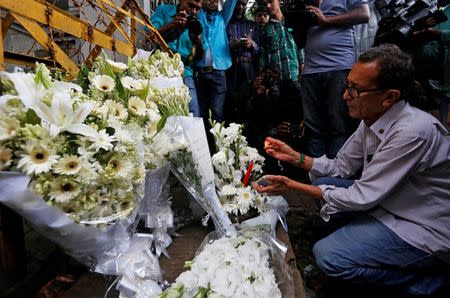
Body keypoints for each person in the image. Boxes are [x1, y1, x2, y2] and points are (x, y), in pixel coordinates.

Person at [254, 44, 450, 296]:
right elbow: (340, 167)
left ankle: (429, 282)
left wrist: (291, 185)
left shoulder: (411, 132)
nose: (346, 96)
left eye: (355, 90)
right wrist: (295, 157)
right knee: (327, 182)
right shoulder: (374, 118)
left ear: (389, 96)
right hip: (394, 204)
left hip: (424, 226)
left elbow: (362, 195)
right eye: (348, 85)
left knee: (328, 256)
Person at [301, 0, 370, 158]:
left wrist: (327, 20)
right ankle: (316, 177)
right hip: (310, 69)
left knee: (339, 126)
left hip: (339, 67)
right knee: (313, 128)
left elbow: (364, 14)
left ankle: (336, 177)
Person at [150, 0, 203, 117]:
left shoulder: (196, 22)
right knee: (160, 113)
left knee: (193, 113)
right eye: (191, 5)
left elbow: (200, 56)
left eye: (198, 8)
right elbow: (148, 36)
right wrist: (172, 24)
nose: (194, 11)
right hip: (161, 70)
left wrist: (198, 42)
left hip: (185, 72)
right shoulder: (163, 10)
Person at [196, 0, 238, 122]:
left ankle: (217, 141)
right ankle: (203, 140)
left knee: (216, 110)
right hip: (200, 72)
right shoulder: (198, 15)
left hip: (218, 73)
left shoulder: (222, 17)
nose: (213, 0)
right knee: (201, 111)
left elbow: (231, 2)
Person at [412, 3, 450, 130]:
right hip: (442, 84)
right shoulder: (440, 9)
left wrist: (441, 34)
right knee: (443, 132)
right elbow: (430, 52)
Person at [226, 0, 259, 122]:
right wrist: (231, 45)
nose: (240, 7)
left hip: (249, 67)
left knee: (250, 99)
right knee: (232, 100)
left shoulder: (253, 25)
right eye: (238, 4)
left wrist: (252, 44)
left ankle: (248, 133)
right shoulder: (227, 24)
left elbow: (261, 48)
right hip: (232, 66)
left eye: (243, 4)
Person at [257, 0, 299, 82]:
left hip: (295, 76)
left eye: (271, 1)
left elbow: (300, 47)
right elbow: (263, 56)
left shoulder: (292, 21)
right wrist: (262, 75)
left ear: (279, 1)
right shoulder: (265, 29)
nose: (268, 6)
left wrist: (302, 68)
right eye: (265, 4)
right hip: (276, 81)